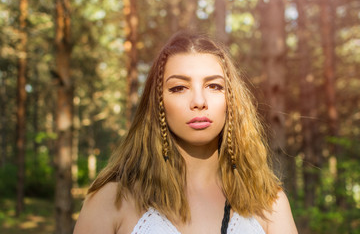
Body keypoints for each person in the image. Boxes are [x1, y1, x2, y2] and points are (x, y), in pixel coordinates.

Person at [74, 32, 298, 234]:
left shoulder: (270, 203)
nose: (199, 102)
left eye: (214, 86)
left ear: (231, 100)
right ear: (158, 103)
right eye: (179, 88)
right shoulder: (111, 201)